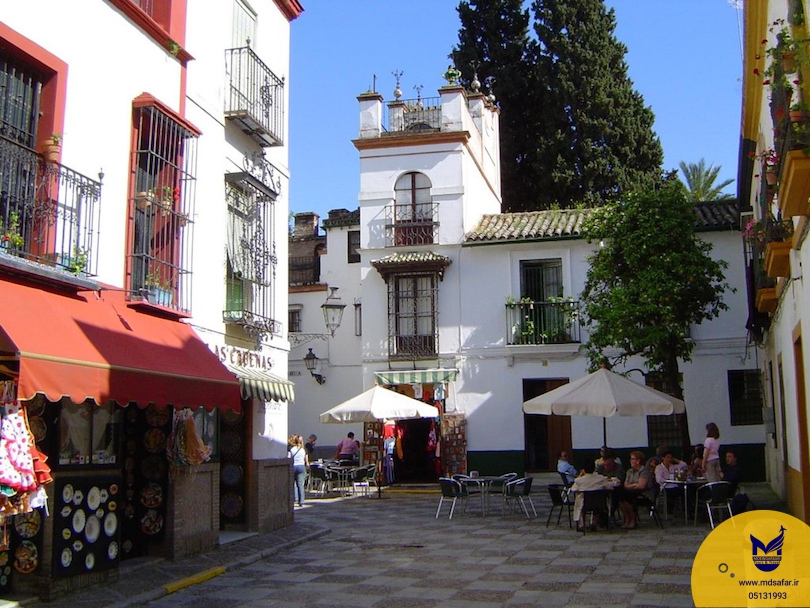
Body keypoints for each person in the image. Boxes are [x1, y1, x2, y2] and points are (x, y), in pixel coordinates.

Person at [569, 460, 614, 530]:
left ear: (583, 469)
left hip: (584, 504)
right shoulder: (600, 478)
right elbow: (609, 487)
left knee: (579, 499)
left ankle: (581, 524)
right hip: (599, 504)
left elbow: (573, 489)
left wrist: (580, 476)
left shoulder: (579, 480)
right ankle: (594, 522)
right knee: (597, 503)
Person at [615, 450, 654, 529]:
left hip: (644, 494)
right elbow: (625, 485)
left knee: (627, 497)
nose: (630, 461)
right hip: (632, 492)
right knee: (619, 496)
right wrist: (634, 485)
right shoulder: (629, 471)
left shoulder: (644, 471)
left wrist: (631, 485)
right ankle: (627, 518)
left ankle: (632, 519)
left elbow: (641, 485)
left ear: (638, 461)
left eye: (632, 459)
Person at [288, 435, 308, 507]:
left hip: (293, 466)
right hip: (301, 467)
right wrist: (307, 465)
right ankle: (301, 501)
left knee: (293, 484)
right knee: (300, 485)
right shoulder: (303, 450)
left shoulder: (292, 449)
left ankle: (294, 498)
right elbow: (306, 460)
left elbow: (289, 457)